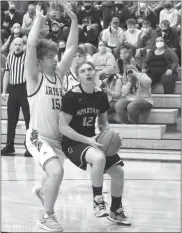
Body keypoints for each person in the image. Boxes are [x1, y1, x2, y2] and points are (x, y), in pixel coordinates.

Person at [25, 5, 78, 231]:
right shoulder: (35, 78)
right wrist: (39, 18)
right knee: (57, 171)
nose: (55, 60)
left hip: (57, 139)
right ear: (39, 61)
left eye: (55, 57)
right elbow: (30, 45)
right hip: (38, 136)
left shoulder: (57, 75)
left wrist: (74, 22)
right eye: (49, 57)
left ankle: (42, 192)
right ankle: (47, 216)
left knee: (51, 176)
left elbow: (73, 48)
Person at [59, 61, 131, 225]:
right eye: (83, 71)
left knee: (118, 172)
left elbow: (103, 122)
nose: (87, 73)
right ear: (78, 76)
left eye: (90, 69)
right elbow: (62, 127)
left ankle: (115, 210)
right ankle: (98, 201)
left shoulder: (100, 95)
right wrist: (87, 140)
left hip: (93, 139)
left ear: (95, 72)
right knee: (98, 158)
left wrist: (110, 133)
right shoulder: (71, 96)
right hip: (73, 142)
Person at [1, 37, 31, 157]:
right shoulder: (9, 57)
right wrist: (4, 91)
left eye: (20, 44)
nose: (17, 47)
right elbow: (7, 74)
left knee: (29, 120)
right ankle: (9, 146)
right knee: (11, 119)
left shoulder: (27, 56)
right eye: (15, 44)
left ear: (23, 46)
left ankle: (29, 147)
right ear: (12, 45)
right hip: (13, 89)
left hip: (25, 89)